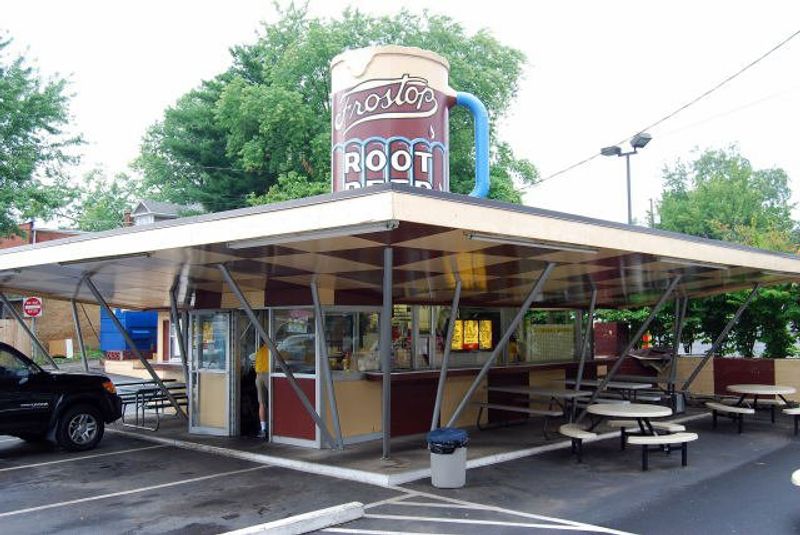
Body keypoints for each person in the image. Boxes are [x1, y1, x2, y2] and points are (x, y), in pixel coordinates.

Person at [254, 344, 270, 439]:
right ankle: (274, 428)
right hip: (269, 374)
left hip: (259, 375)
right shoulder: (274, 349)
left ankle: (263, 429)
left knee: (262, 403)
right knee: (274, 401)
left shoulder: (260, 350)